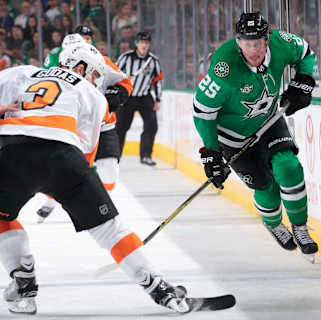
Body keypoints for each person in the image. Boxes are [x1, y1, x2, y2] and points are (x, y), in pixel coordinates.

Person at [0, 41, 190, 314]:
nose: (95, 80)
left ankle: (23, 280)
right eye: (94, 74)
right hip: (65, 157)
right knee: (110, 228)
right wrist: (67, 188)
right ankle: (159, 288)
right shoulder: (93, 94)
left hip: (13, 151)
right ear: (79, 66)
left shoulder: (24, 72)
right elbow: (86, 151)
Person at [193, 12, 318, 258]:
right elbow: (202, 111)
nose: (253, 50)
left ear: (267, 39)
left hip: (270, 120)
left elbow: (305, 52)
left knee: (288, 166)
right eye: (247, 44)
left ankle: (301, 227)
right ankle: (273, 224)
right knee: (265, 187)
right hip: (232, 137)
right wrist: (211, 152)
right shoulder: (224, 66)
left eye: (258, 43)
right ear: (238, 42)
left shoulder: (282, 43)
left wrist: (304, 79)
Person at [37, 26, 133, 223]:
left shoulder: (100, 60)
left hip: (102, 124)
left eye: (88, 38)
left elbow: (125, 83)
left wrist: (116, 96)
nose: (86, 42)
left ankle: (101, 201)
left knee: (109, 170)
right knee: (65, 167)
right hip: (72, 123)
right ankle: (52, 200)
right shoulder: (55, 61)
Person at [116, 31, 163, 166]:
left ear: (149, 45)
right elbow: (115, 74)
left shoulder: (153, 61)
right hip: (127, 97)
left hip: (144, 97)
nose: (144, 45)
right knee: (120, 128)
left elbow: (158, 80)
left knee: (152, 125)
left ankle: (146, 156)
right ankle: (116, 156)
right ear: (136, 44)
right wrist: (117, 94)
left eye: (146, 43)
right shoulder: (125, 58)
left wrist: (158, 99)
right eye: (141, 42)